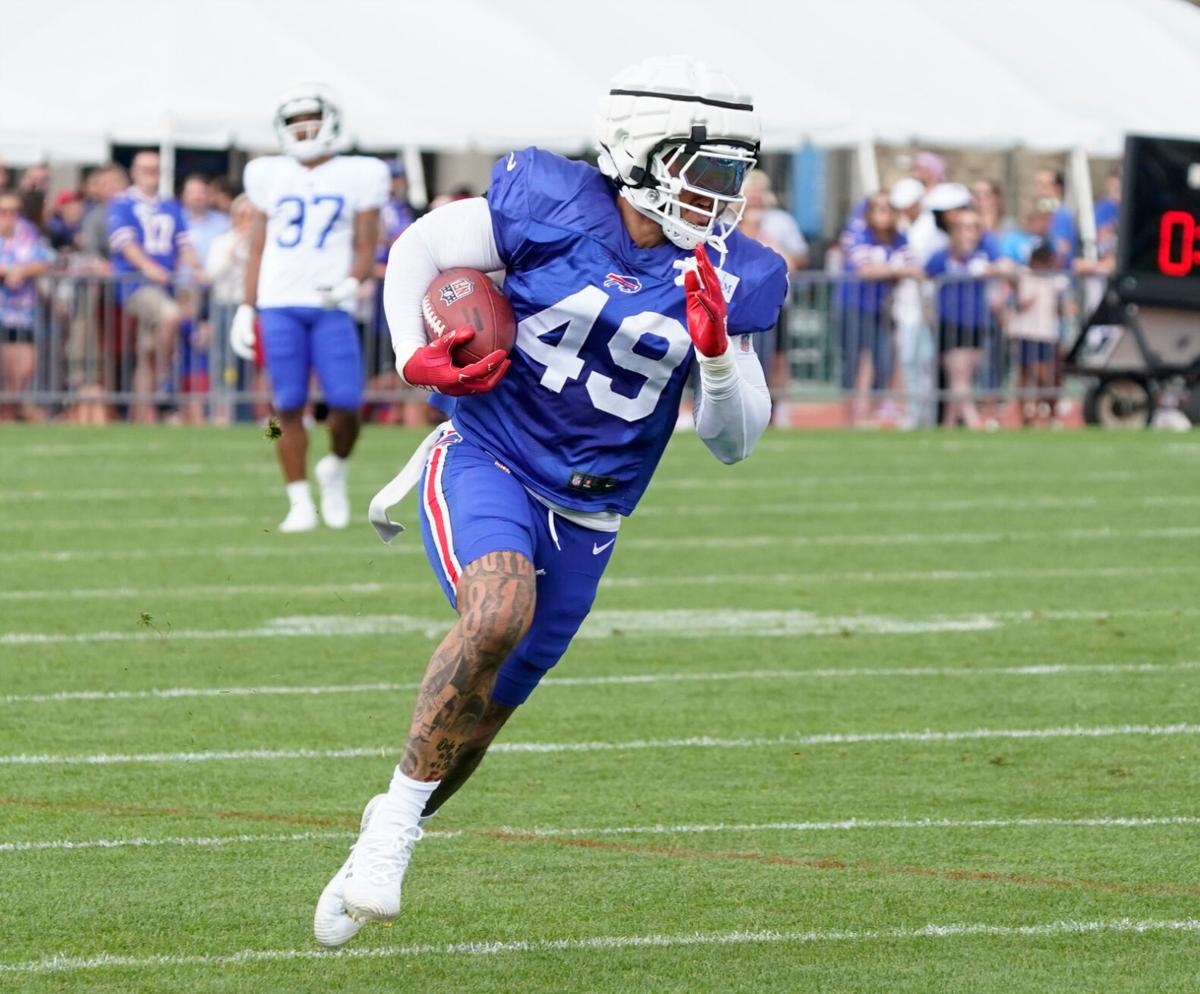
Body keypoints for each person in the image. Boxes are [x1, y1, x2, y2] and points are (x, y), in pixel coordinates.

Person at [312, 55, 787, 947]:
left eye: (735, 174)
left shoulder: (729, 271)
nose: (723, 196)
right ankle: (388, 837)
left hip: (594, 513)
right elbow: (421, 249)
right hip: (488, 453)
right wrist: (414, 349)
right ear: (641, 154)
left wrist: (719, 354)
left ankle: (396, 819)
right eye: (707, 171)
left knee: (487, 710)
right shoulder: (548, 203)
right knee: (497, 614)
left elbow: (734, 440)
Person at [231, 83, 387, 532]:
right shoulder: (267, 173)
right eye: (295, 122)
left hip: (329, 304)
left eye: (311, 120)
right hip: (278, 303)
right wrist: (247, 306)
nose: (304, 130)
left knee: (346, 401)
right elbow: (257, 244)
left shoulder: (360, 173)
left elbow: (366, 240)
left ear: (331, 122)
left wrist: (352, 281)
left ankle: (335, 467)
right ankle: (298, 499)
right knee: (287, 403)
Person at [108, 151, 205, 423]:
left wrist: (197, 268)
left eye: (155, 169)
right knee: (170, 315)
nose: (151, 173)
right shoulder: (123, 203)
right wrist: (148, 267)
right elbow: (124, 242)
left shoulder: (170, 205)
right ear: (134, 172)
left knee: (146, 352)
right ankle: (165, 376)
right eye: (145, 169)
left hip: (165, 284)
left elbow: (184, 244)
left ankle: (142, 415)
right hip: (136, 284)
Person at [836, 191, 920, 426]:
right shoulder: (857, 234)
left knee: (884, 361)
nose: (885, 214)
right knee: (851, 361)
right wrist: (896, 270)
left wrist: (887, 270)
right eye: (879, 208)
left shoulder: (899, 238)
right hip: (852, 304)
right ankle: (850, 416)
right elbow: (865, 270)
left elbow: (915, 267)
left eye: (889, 209)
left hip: (881, 309)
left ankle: (872, 413)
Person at [925, 207, 1005, 428]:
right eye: (962, 227)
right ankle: (973, 421)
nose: (966, 233)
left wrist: (994, 270)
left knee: (962, 379)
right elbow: (923, 274)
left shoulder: (984, 253)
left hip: (976, 322)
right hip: (950, 323)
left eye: (972, 227)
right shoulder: (943, 256)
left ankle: (949, 424)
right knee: (959, 377)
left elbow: (1006, 266)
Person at [0, 190, 52, 421]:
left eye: (14, 211)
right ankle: (7, 413)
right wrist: (7, 272)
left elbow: (43, 260)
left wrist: (20, 271)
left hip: (24, 313)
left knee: (25, 367)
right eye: (4, 211)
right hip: (2, 312)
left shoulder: (27, 232)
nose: (9, 216)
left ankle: (11, 411)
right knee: (5, 368)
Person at [1008, 240, 1071, 426]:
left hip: (1047, 333)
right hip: (1026, 331)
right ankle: (1024, 414)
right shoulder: (1024, 276)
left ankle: (1046, 411)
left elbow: (1063, 305)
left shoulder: (1056, 280)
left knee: (1045, 375)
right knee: (1024, 373)